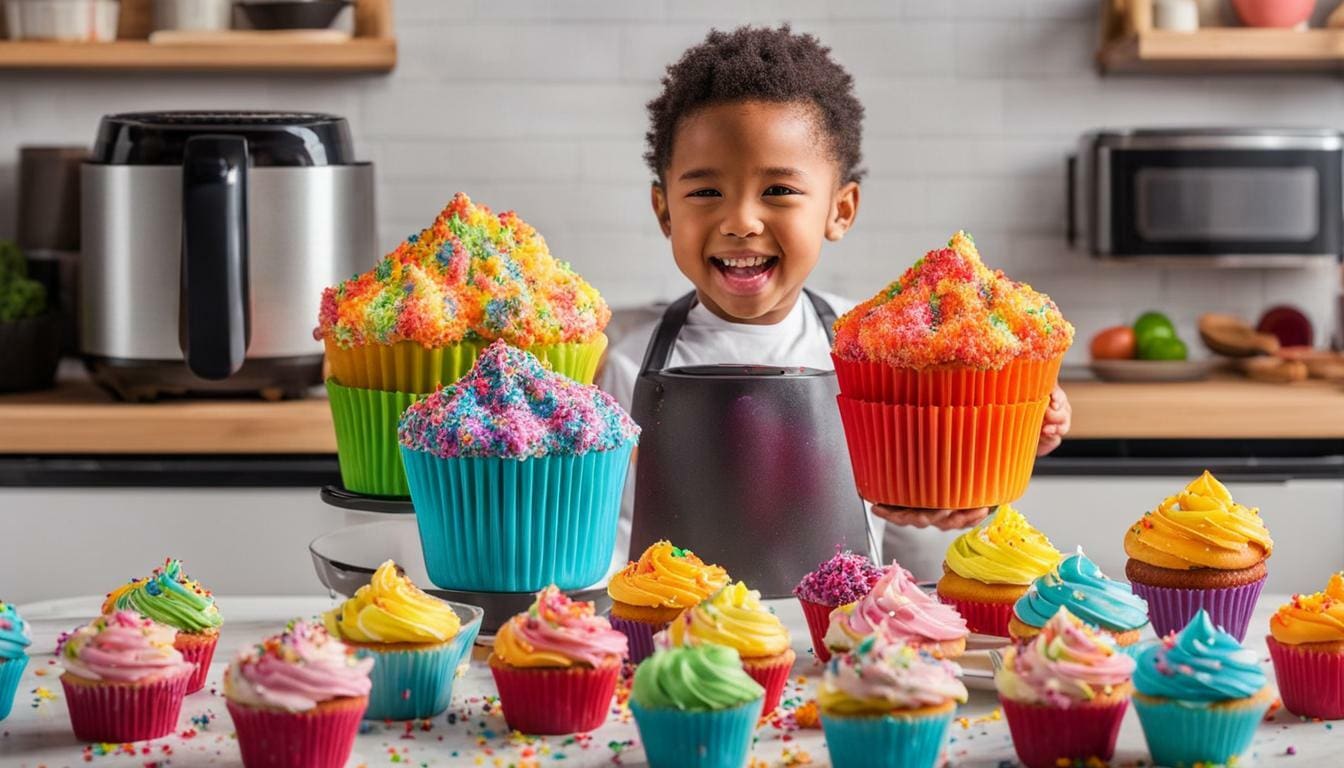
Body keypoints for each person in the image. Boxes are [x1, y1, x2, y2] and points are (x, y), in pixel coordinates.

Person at [597, 25, 1071, 581]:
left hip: (843, 630)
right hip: (678, 631)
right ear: (665, 211)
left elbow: (935, 476)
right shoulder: (627, 367)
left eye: (779, 191)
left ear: (839, 211)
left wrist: (1001, 430)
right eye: (705, 192)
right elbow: (606, 534)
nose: (741, 221)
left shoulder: (876, 348)